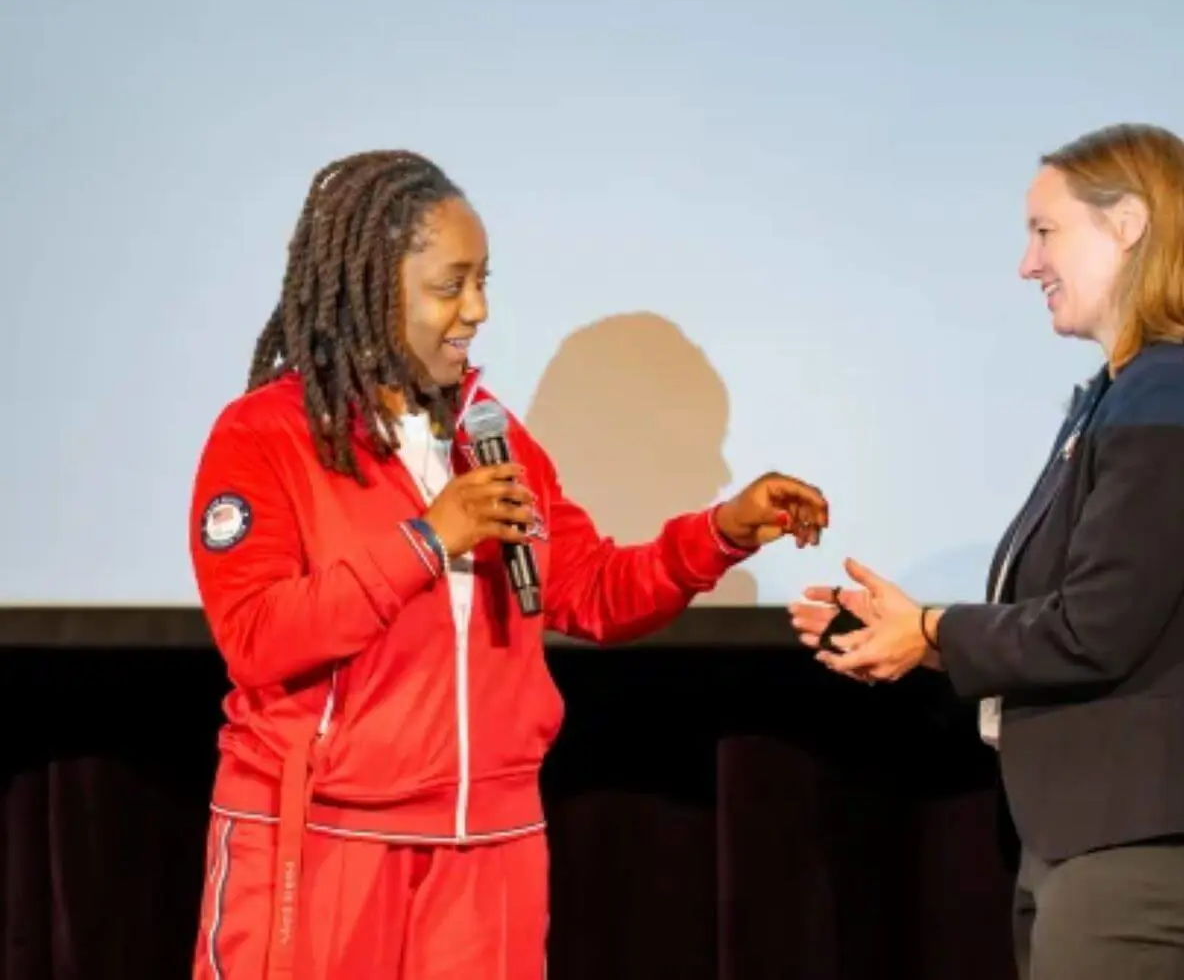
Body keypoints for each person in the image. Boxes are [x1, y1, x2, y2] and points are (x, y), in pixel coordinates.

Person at [187, 149, 830, 980]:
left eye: (484, 281)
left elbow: (593, 591)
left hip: (489, 845)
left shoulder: (494, 436)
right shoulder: (264, 435)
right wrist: (426, 540)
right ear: (372, 284)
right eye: (450, 285)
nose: (477, 309)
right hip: (324, 838)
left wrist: (723, 530)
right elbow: (258, 636)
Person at [789, 123, 1184, 980]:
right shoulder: (1125, 392)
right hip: (1092, 830)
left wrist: (936, 630)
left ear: (1128, 224)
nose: (1028, 264)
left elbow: (1096, 626)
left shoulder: (1175, 387)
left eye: (1044, 231)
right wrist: (908, 632)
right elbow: (1082, 608)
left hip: (1147, 829)